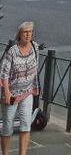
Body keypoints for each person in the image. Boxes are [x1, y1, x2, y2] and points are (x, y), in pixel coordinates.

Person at [0, 21, 40, 155]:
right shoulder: (12, 51)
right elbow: (4, 74)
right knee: (7, 126)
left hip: (27, 92)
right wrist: (6, 92)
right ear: (19, 34)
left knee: (25, 125)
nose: (28, 34)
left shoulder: (35, 47)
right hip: (12, 94)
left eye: (30, 32)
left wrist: (34, 88)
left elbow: (35, 68)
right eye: (25, 32)